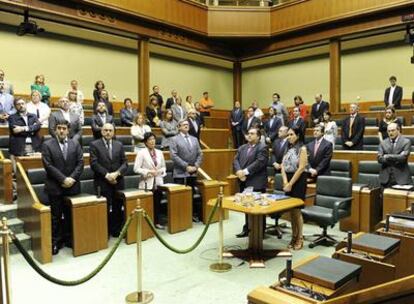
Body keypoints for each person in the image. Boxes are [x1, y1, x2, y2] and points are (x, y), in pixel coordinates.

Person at [42, 120, 83, 255]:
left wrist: (71, 178)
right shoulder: (48, 145)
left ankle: (69, 239)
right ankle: (56, 242)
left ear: (68, 130)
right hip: (55, 187)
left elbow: (80, 163)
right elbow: (48, 166)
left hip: (72, 186)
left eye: (64, 128)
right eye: (59, 128)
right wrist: (63, 179)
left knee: (70, 214)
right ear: (55, 130)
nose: (61, 131)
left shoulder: (75, 144)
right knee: (56, 217)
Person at [90, 123, 128, 237]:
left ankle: (115, 230)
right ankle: (104, 232)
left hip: (118, 181)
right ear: (101, 132)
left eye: (110, 130)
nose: (108, 132)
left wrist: (116, 174)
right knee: (104, 208)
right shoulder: (94, 144)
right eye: (105, 130)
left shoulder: (119, 145)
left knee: (117, 207)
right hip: (102, 182)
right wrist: (107, 175)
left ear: (113, 132)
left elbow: (125, 163)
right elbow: (94, 164)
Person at [233, 127, 268, 237]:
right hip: (243, 181)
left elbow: (259, 163)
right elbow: (235, 160)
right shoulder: (242, 147)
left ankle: (260, 231)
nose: (249, 135)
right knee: (246, 205)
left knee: (258, 207)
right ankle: (247, 228)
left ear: (258, 136)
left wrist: (245, 172)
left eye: (252, 134)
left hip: (256, 181)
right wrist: (239, 171)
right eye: (248, 133)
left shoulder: (263, 147)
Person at [169, 119, 203, 222]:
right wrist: (186, 166)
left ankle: (191, 214)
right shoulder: (174, 139)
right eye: (184, 124)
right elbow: (173, 156)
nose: (186, 126)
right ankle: (180, 217)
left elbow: (200, 154)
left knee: (191, 194)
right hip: (180, 172)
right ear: (179, 127)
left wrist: (196, 166)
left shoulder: (194, 139)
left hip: (192, 172)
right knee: (179, 196)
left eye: (187, 124)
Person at [281, 126, 307, 250]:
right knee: (291, 212)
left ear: (298, 135)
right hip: (288, 180)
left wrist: (291, 183)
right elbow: (282, 165)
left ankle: (300, 237)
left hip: (298, 181)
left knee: (297, 211)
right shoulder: (288, 148)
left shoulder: (302, 149)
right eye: (288, 135)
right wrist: (286, 182)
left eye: (291, 134)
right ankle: (293, 235)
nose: (289, 137)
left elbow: (301, 168)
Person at [134, 132, 167, 229]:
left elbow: (164, 167)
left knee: (157, 204)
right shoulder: (141, 153)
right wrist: (148, 172)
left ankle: (156, 222)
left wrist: (161, 171)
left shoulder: (160, 152)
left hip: (158, 182)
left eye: (153, 139)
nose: (152, 141)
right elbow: (136, 169)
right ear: (145, 142)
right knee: (148, 205)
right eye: (149, 139)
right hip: (147, 183)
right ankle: (147, 225)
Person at [378, 123, 411, 188]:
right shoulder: (383, 143)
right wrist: (397, 156)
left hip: (401, 178)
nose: (390, 133)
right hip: (385, 179)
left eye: (393, 130)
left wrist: (387, 156)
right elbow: (379, 159)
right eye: (389, 131)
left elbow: (403, 158)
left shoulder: (406, 142)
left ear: (398, 130)